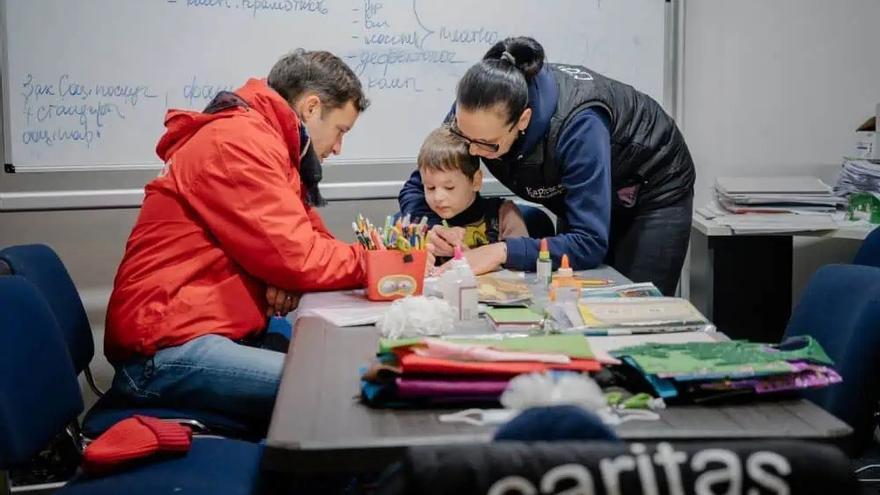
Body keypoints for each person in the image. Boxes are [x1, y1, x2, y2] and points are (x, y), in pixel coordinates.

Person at [104, 49, 369, 427]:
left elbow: (305, 242)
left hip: (206, 331)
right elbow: (302, 259)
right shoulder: (238, 142)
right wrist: (385, 266)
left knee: (335, 363)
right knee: (332, 386)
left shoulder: (266, 141)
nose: (339, 147)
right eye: (341, 131)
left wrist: (287, 273)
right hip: (164, 353)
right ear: (311, 108)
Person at [398, 37, 695, 295]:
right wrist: (431, 228)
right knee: (574, 299)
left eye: (487, 145)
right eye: (465, 136)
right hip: (580, 191)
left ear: (523, 120)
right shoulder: (475, 112)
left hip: (652, 186)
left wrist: (501, 250)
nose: (471, 149)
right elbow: (420, 181)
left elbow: (589, 242)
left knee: (635, 308)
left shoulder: (580, 127)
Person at [417, 126, 528, 265]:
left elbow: (523, 263)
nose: (438, 197)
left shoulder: (504, 215)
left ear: (476, 181)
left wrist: (471, 257)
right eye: (430, 187)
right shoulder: (420, 224)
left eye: (449, 187)